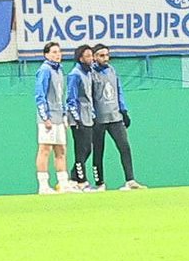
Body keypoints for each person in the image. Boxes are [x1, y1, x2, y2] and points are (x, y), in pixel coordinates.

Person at [78, 46, 140, 190]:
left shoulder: (112, 70)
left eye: (107, 55)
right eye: (101, 55)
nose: (105, 58)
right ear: (94, 57)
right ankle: (99, 183)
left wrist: (123, 111)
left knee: (124, 147)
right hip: (99, 119)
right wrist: (92, 115)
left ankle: (130, 180)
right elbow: (88, 97)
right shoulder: (90, 73)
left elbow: (119, 91)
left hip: (115, 117)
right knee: (98, 152)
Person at [32, 41, 75, 195]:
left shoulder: (60, 70)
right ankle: (43, 186)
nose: (58, 55)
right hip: (48, 117)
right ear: (46, 55)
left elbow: (60, 96)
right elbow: (40, 95)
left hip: (58, 117)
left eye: (59, 52)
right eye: (54, 52)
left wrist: (64, 116)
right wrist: (45, 117)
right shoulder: (44, 70)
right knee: (45, 149)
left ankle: (63, 183)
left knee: (61, 150)